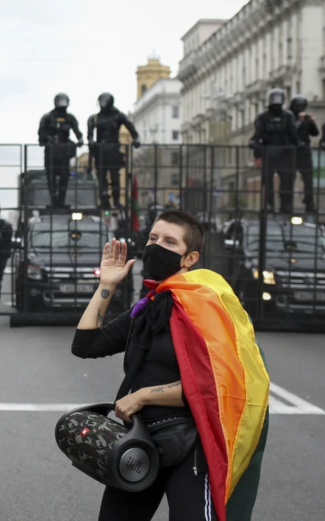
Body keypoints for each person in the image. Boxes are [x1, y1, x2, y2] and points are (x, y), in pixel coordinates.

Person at [71, 211, 270, 521]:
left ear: (190, 258)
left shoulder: (207, 307)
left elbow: (217, 385)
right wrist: (106, 286)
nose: (156, 246)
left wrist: (143, 396)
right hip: (139, 442)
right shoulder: (149, 307)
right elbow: (86, 345)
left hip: (192, 446)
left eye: (169, 242)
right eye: (153, 238)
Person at [250, 88, 300, 213]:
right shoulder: (263, 117)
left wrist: (298, 143)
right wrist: (254, 142)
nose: (276, 103)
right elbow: (258, 133)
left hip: (285, 153)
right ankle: (269, 204)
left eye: (278, 99)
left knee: (287, 180)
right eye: (274, 99)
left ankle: (286, 205)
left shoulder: (288, 116)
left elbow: (293, 133)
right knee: (267, 180)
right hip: (269, 153)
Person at [87, 93, 140, 210]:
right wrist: (90, 141)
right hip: (100, 152)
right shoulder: (94, 118)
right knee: (101, 178)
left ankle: (116, 200)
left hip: (113, 151)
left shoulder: (118, 115)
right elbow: (90, 135)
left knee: (115, 177)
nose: (102, 104)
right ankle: (104, 200)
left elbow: (131, 127)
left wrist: (136, 138)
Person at [39, 93, 85, 209]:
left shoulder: (70, 118)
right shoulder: (48, 117)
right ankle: (53, 200)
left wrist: (80, 139)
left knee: (64, 177)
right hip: (51, 153)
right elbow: (41, 132)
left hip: (64, 154)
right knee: (51, 177)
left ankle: (61, 201)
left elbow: (77, 131)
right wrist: (48, 139)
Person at [290, 95, 319, 213]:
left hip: (304, 152)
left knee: (308, 178)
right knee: (289, 178)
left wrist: (312, 122)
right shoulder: (289, 117)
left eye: (303, 107)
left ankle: (309, 202)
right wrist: (299, 122)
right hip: (291, 152)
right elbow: (291, 131)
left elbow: (315, 133)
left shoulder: (306, 118)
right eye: (299, 107)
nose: (301, 109)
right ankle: (287, 203)